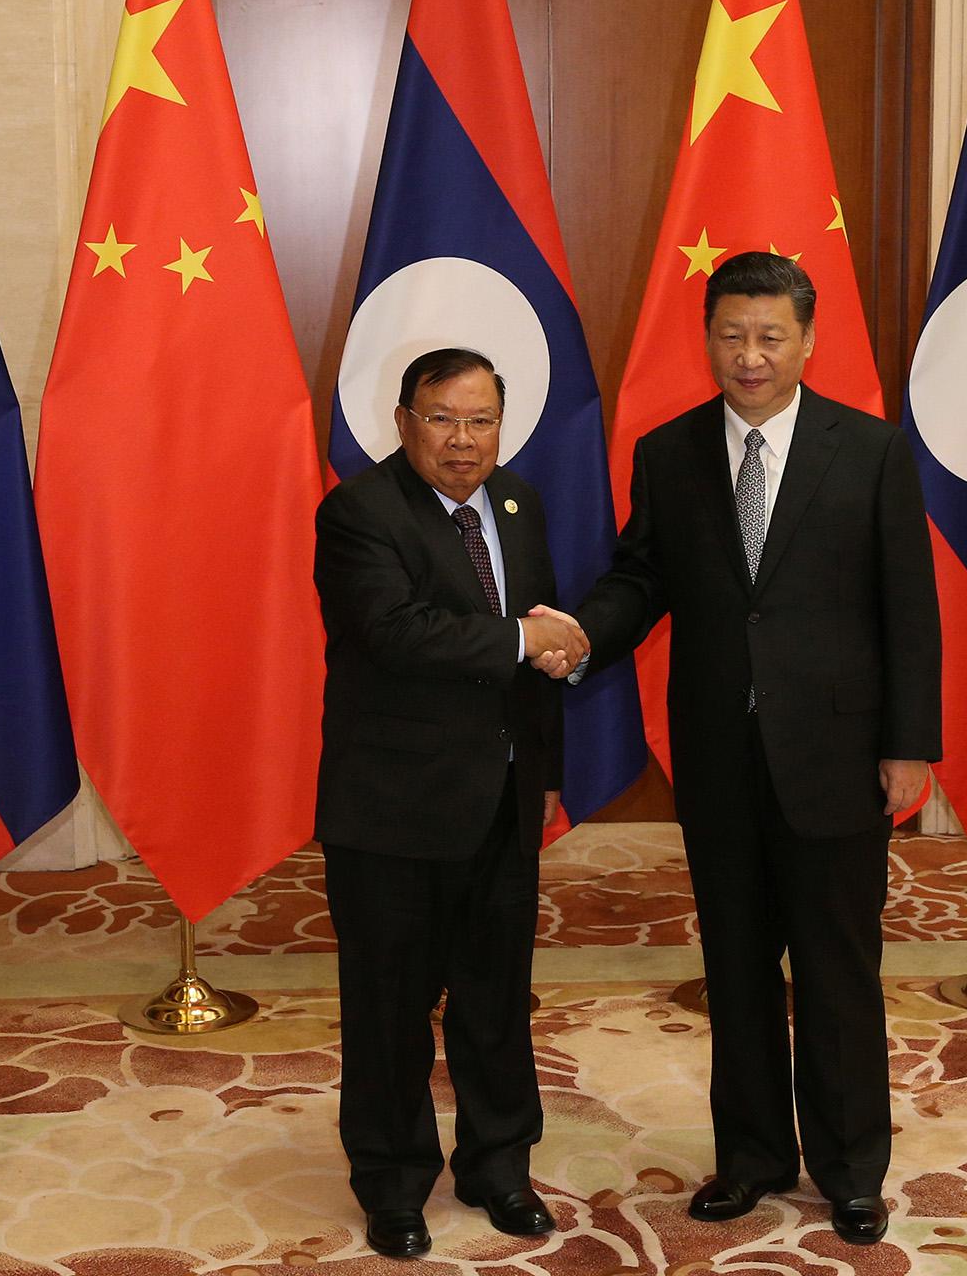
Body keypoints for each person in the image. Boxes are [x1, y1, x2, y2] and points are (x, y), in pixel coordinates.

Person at [546, 252, 941, 1245]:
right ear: (708, 338)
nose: (750, 356)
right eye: (732, 335)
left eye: (770, 336)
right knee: (734, 967)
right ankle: (753, 1156)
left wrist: (908, 744)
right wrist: (586, 631)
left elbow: (910, 609)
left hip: (840, 758)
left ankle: (850, 1168)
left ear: (808, 341)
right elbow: (643, 579)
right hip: (721, 756)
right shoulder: (670, 452)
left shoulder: (870, 452)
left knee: (836, 971)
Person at [313, 347, 588, 1261]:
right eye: (442, 419)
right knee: (390, 1006)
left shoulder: (516, 502)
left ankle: (499, 1167)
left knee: (496, 1001)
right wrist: (524, 636)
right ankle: (392, 1184)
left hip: (501, 802)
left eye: (480, 421)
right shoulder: (358, 512)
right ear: (404, 422)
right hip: (393, 810)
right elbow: (396, 632)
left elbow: (533, 651)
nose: (463, 442)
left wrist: (543, 771)